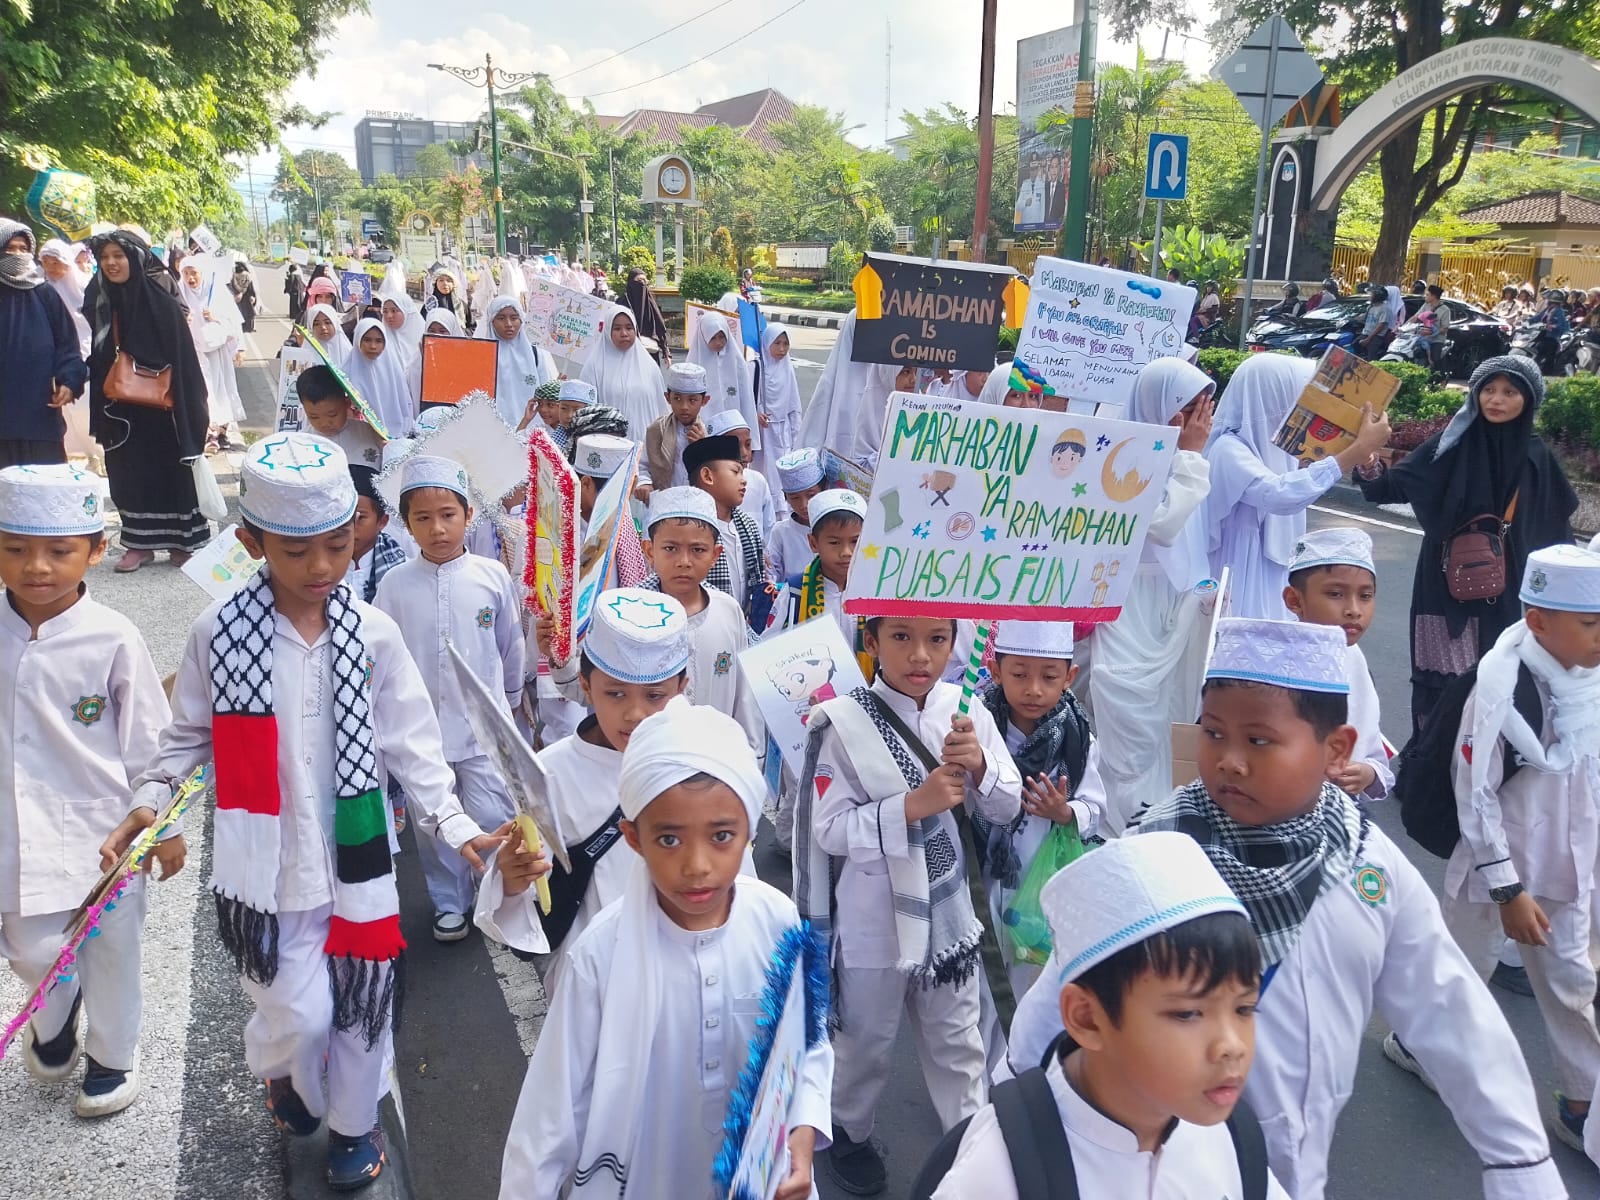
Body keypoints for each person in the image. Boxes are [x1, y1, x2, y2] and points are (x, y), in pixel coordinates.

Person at [1009, 618, 1567, 1200]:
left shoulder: (1364, 861)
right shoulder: (1154, 854)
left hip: (1298, 1171)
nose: (1229, 760)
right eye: (1213, 733)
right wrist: (1011, 1118)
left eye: (1258, 740)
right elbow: (1059, 1000)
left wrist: (1520, 1162)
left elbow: (1449, 1007)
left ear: (1336, 749)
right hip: (1153, 1168)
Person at [103, 433, 500, 1191]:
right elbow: (185, 737)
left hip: (359, 861)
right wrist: (151, 802)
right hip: (267, 871)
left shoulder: (373, 633)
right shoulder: (219, 633)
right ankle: (286, 1070)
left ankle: (354, 1125)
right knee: (300, 1015)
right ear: (252, 543)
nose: (321, 567)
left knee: (360, 1005)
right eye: (296, 551)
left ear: (355, 533)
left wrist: (453, 825)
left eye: (337, 546)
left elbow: (413, 744)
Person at [497, 696, 831, 1198]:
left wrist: (800, 1140)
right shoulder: (599, 956)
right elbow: (548, 1120)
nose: (697, 865)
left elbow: (806, 1047)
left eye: (721, 836)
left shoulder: (777, 920)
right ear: (634, 839)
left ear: (749, 831)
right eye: (670, 840)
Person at [793, 614, 1023, 1194]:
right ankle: (849, 1132)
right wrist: (911, 806)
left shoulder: (969, 714)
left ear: (953, 643)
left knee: (959, 1042)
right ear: (871, 642)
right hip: (873, 919)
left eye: (937, 639)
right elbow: (829, 830)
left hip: (948, 918)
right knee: (865, 1043)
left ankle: (970, 1148)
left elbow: (1007, 807)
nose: (920, 654)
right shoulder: (842, 723)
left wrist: (981, 766)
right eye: (901, 637)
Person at [926, 833, 1289, 1200]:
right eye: (1188, 1013)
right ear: (1087, 1018)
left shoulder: (1233, 1141)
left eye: (1244, 1008)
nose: (1231, 1045)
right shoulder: (999, 1171)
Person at [0, 464, 178, 1118]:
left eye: (58, 550)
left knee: (113, 951)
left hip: (107, 832)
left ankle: (112, 1059)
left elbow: (152, 743)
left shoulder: (113, 637)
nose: (36, 567)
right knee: (33, 951)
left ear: (96, 551)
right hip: (14, 828)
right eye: (16, 549)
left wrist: (163, 825)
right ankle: (56, 1001)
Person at [1433, 545, 1600, 1152]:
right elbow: (1473, 794)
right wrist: (1507, 890)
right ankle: (1424, 1053)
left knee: (1572, 984)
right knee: (1461, 972)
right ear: (1538, 621)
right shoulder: (1502, 690)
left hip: (1571, 865)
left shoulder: (1589, 682)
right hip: (1496, 871)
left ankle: (1582, 1105)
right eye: (1591, 623)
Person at [477, 588, 692, 980]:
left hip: (685, 977)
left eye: (655, 695)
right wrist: (511, 880)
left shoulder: (701, 758)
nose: (635, 713)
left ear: (681, 688)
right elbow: (532, 901)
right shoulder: (549, 774)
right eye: (616, 693)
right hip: (590, 982)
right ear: (587, 686)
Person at [1355, 356, 1576, 733]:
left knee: (1501, 684)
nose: (1496, 399)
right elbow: (1388, 488)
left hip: (1510, 591)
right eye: (1488, 389)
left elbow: (1556, 533)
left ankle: (1491, 760)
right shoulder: (1453, 443)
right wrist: (1367, 456)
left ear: (1528, 400)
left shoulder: (1536, 457)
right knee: (1446, 685)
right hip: (1445, 584)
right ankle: (1437, 761)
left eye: (1510, 392)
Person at [375, 455, 524, 943]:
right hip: (424, 733)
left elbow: (510, 644)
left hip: (485, 730)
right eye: (423, 518)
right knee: (434, 823)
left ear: (468, 515)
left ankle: (497, 896)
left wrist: (510, 701)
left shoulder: (491, 576)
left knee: (493, 813)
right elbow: (382, 654)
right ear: (407, 523)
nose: (437, 529)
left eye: (448, 515)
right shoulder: (394, 585)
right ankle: (449, 903)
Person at [1087, 356, 1216, 832]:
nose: (1197, 421)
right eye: (1188, 408)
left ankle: (1166, 817)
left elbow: (1194, 542)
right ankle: (1121, 822)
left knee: (1175, 711)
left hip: (1174, 606)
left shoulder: (1188, 462)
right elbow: (1161, 525)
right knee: (1129, 718)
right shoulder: (1121, 458)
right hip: (1129, 605)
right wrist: (1189, 455)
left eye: (1204, 408)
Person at [1204, 353, 1389, 620]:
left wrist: (1357, 452)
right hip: (1239, 573)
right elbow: (1279, 495)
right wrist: (1351, 454)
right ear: (1271, 398)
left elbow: (1304, 483)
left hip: (1273, 571)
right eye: (1299, 399)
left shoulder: (1278, 449)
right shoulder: (1228, 448)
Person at [979, 620, 1107, 997]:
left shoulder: (1078, 741)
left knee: (1023, 981)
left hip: (1038, 875)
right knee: (979, 977)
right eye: (1020, 675)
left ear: (1069, 677)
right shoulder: (979, 728)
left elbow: (1094, 808)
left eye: (1049, 677)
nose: (1034, 689)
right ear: (996, 672)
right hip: (983, 869)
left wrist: (1063, 812)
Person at [82, 229, 211, 572]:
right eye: (105, 257)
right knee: (127, 473)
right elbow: (99, 351)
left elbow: (183, 359)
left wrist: (191, 411)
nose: (111, 263)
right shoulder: (100, 298)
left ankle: (181, 542)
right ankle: (138, 544)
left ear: (135, 259)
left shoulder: (159, 300)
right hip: (118, 405)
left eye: (118, 256)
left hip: (162, 406)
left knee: (170, 471)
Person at [637, 487, 765, 756]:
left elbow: (744, 696)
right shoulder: (633, 615)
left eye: (698, 550)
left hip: (720, 761)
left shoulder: (727, 611)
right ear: (649, 550)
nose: (684, 562)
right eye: (670, 549)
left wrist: (751, 758)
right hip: (654, 762)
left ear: (715, 555)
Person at [1282, 528, 1392, 801]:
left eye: (1365, 596)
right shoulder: (1274, 660)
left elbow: (1372, 749)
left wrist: (1367, 773)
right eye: (1335, 594)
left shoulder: (1355, 660)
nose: (1354, 610)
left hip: (1342, 811)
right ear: (1294, 600)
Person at [0, 218, 86, 468]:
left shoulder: (44, 293)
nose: (18, 255)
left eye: (23, 248)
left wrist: (69, 381)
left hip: (38, 411)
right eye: (10, 248)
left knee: (41, 482)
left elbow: (67, 346)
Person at [685, 433, 767, 622]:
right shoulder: (689, 530)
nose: (744, 480)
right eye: (735, 472)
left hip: (745, 625)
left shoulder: (748, 526)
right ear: (707, 476)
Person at [178, 257, 246, 454]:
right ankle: (208, 434)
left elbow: (235, 322)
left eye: (194, 273)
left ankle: (221, 432)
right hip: (194, 352)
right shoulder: (180, 293)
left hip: (218, 352)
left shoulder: (218, 293)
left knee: (222, 391)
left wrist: (239, 348)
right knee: (204, 392)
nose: (190, 278)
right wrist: (182, 318)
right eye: (186, 273)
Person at [581, 305, 667, 442]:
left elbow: (662, 409)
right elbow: (584, 411)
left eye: (629, 328)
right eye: (617, 329)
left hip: (645, 447)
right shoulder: (594, 366)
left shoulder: (649, 367)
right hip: (607, 446)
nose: (624, 333)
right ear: (608, 331)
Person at [476, 296, 558, 430]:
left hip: (532, 429)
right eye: (501, 318)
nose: (509, 324)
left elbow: (548, 391)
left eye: (514, 318)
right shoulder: (480, 356)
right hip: (491, 429)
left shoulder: (537, 354)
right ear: (491, 321)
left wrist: (557, 386)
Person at [296, 365, 384, 472]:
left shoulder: (369, 434)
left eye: (332, 415)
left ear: (347, 403)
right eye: (314, 417)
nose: (324, 423)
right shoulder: (300, 443)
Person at [690, 313, 760, 443]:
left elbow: (746, 400)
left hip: (733, 429)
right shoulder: (693, 365)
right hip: (703, 431)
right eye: (713, 337)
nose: (718, 342)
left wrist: (751, 440)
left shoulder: (737, 362)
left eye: (722, 337)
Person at [756, 323, 802, 518]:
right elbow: (751, 397)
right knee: (764, 473)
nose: (782, 349)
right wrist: (757, 413)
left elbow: (793, 402)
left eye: (785, 343)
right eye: (777, 343)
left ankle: (782, 513)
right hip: (763, 431)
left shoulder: (787, 368)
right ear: (767, 344)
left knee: (781, 474)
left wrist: (796, 433)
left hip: (782, 431)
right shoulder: (757, 367)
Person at [644, 361, 709, 493]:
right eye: (677, 399)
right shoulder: (657, 430)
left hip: (697, 499)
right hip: (664, 498)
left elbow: (716, 470)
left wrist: (702, 446)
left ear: (704, 401)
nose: (684, 407)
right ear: (668, 398)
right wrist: (644, 483)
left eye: (692, 400)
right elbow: (643, 466)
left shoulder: (709, 432)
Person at [707, 409, 774, 536]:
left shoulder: (758, 481)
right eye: (736, 446)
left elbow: (769, 530)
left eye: (748, 445)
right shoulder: (707, 485)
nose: (744, 453)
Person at [343, 318, 414, 439]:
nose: (373, 346)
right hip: (360, 435)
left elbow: (404, 403)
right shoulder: (346, 372)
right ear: (358, 340)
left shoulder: (393, 369)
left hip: (396, 435)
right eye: (367, 340)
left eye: (379, 341)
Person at [346, 465, 405, 604]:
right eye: (343, 517)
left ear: (382, 522)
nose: (348, 526)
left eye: (360, 517)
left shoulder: (402, 572)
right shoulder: (317, 569)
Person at [768, 447, 826, 584]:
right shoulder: (780, 532)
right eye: (795, 498)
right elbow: (771, 572)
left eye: (811, 495)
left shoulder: (836, 526)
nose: (804, 504)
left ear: (824, 489)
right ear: (786, 497)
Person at [622, 266, 671, 366]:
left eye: (645, 281)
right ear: (631, 282)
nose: (642, 284)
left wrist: (666, 352)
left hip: (650, 354)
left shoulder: (650, 304)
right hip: (627, 354)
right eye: (639, 280)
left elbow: (659, 328)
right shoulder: (622, 303)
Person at [303, 302, 352, 367]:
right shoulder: (304, 354)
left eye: (327, 322)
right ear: (311, 327)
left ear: (335, 324)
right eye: (317, 324)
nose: (323, 327)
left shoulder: (349, 355)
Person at [1418, 282, 1453, 371]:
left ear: (1433, 296)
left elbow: (1445, 328)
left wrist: (1432, 333)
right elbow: (1416, 317)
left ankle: (1437, 374)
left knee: (1435, 358)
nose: (1425, 296)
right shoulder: (1426, 305)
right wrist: (1404, 327)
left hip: (1437, 339)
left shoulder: (1445, 310)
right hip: (1423, 336)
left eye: (1427, 295)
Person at [1355, 282, 1393, 358]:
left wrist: (1368, 339)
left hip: (1375, 337)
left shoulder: (1385, 309)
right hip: (1365, 333)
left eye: (1371, 294)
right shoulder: (1370, 307)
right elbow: (1364, 318)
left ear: (1377, 296)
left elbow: (1381, 326)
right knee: (1354, 346)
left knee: (1371, 357)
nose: (1369, 296)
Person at [230, 260, 259, 333]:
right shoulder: (246, 276)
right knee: (248, 315)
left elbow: (251, 291)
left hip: (241, 300)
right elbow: (251, 288)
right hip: (243, 299)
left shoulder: (235, 276)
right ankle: (248, 328)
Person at [284, 261, 307, 328]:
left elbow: (290, 284)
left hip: (294, 293)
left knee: (294, 306)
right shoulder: (299, 275)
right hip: (300, 292)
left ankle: (295, 319)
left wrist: (287, 289)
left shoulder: (292, 275)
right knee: (299, 305)